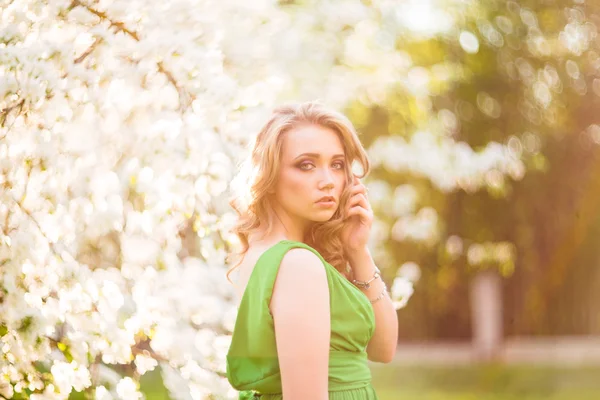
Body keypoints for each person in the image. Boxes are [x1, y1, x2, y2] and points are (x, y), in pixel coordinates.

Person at [225, 101, 399, 400]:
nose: (328, 181)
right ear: (269, 176)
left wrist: (358, 251)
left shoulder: (268, 251)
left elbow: (383, 349)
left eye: (337, 165)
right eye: (306, 165)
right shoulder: (297, 265)